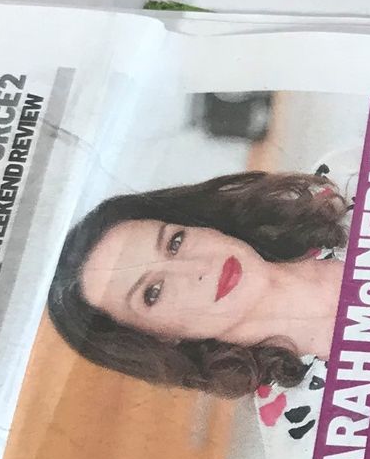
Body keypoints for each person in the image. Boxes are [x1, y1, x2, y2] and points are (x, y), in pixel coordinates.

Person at [45, 170, 348, 400]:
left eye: (175, 243)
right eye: (153, 292)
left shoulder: (343, 191)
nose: (199, 268)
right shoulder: (310, 430)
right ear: (159, 340)